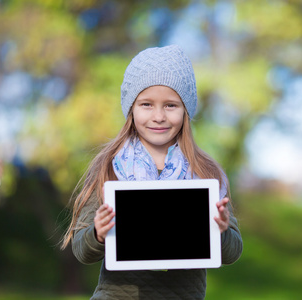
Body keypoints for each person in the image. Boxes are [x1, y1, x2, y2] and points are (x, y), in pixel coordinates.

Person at [60, 45, 243, 299]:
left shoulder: (205, 173)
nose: (158, 116)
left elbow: (232, 253)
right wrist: (98, 234)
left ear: (186, 111)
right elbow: (82, 250)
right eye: (146, 104)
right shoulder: (110, 168)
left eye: (170, 105)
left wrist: (221, 231)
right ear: (131, 109)